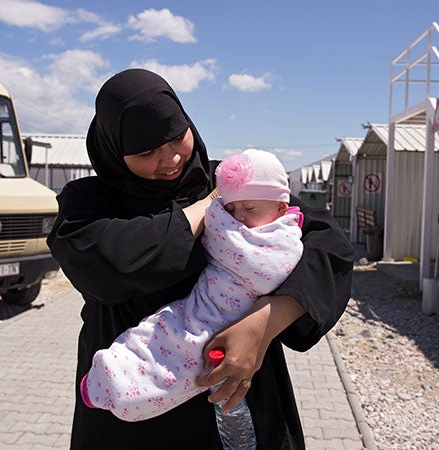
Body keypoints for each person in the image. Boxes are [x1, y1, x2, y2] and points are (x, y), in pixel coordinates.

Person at [46, 68, 355, 449]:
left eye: (177, 137)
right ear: (114, 148)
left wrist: (265, 324)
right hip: (134, 408)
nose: (171, 158)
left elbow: (328, 244)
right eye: (146, 152)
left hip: (237, 398)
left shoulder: (233, 181)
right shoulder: (88, 204)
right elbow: (108, 263)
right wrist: (206, 207)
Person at [80, 148, 305, 422]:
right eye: (232, 209)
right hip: (197, 308)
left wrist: (213, 207)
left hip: (214, 323)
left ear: (281, 208)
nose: (238, 217)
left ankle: (119, 391)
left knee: (181, 361)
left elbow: (261, 266)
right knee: (157, 331)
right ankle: (108, 375)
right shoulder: (84, 200)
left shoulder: (282, 239)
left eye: (248, 209)